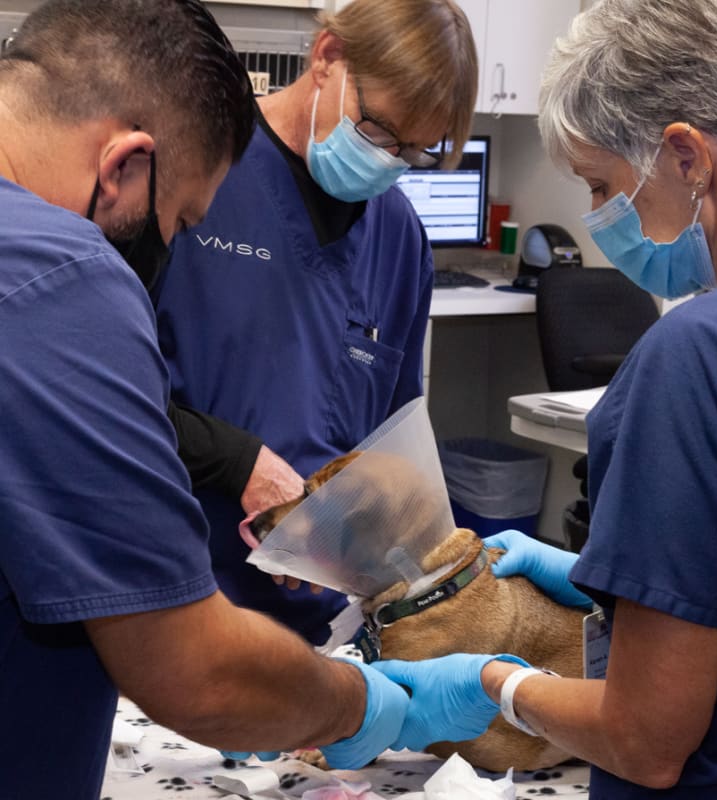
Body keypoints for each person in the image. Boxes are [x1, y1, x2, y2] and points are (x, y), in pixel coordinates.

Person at [0, 2, 431, 796]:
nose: (162, 249)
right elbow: (196, 672)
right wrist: (368, 704)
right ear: (122, 166)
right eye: (176, 220)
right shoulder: (62, 275)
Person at [370, 0, 717, 796]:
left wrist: (496, 684)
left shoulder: (701, 360)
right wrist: (614, 581)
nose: (600, 217)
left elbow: (645, 740)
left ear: (686, 156)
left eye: (601, 185)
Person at [153, 0, 479, 645]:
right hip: (181, 594)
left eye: (415, 151)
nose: (389, 160)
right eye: (379, 131)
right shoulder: (194, 174)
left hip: (324, 620)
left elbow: (391, 449)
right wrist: (238, 463)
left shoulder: (398, 237)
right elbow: (96, 398)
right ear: (328, 57)